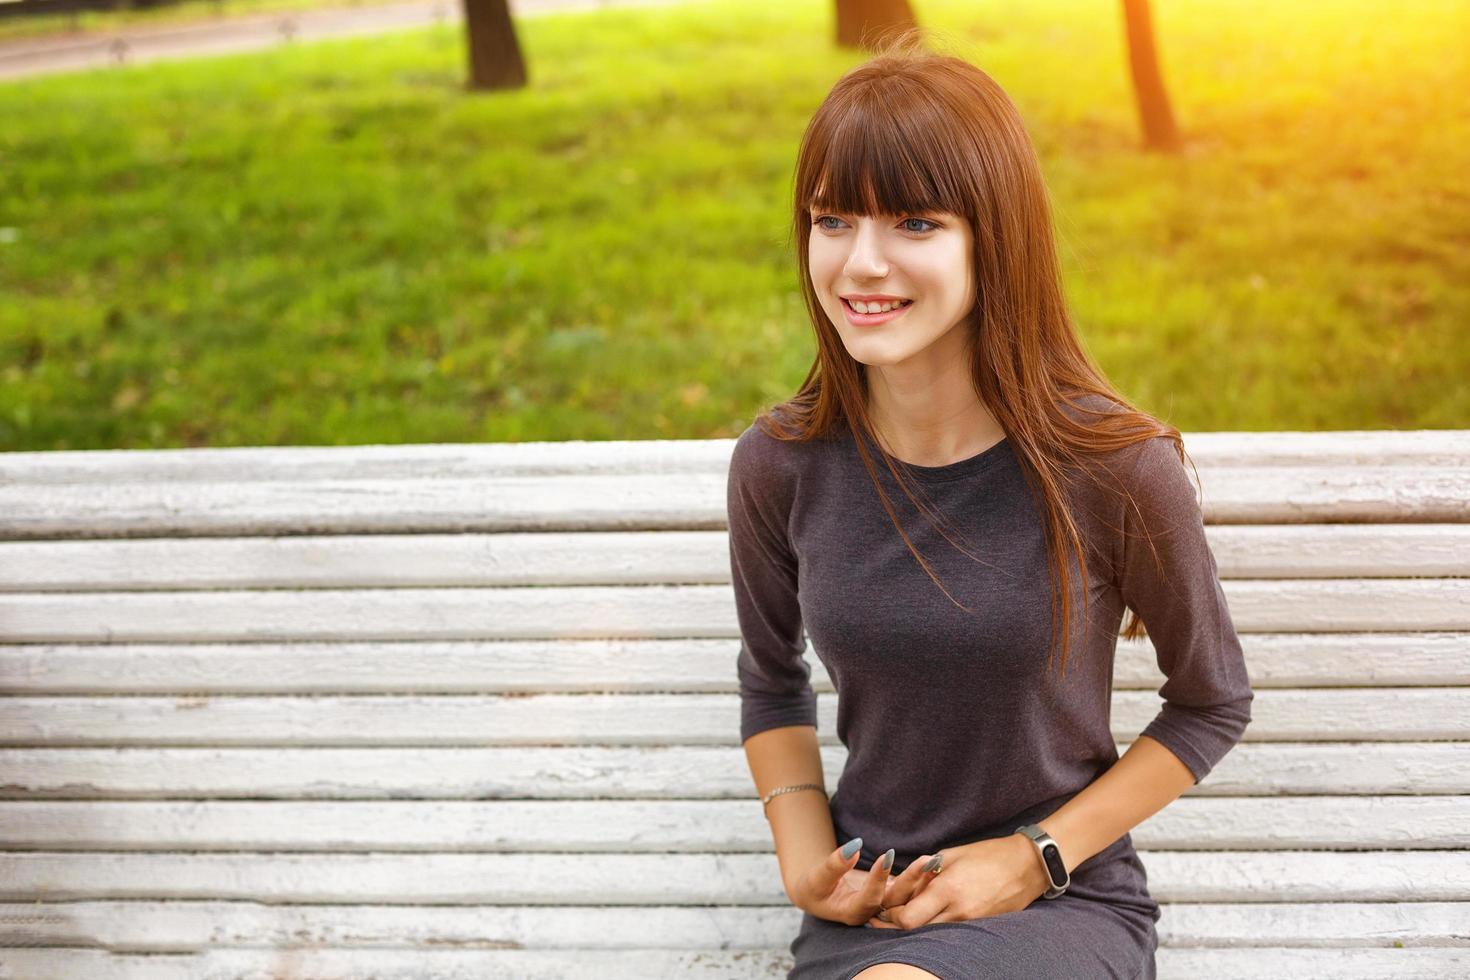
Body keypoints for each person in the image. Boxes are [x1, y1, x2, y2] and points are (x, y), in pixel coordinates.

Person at [726, 30, 1255, 980]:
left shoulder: (1113, 468)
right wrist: (807, 862)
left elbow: (1209, 703)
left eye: (916, 225)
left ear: (994, 239)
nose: (860, 264)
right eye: (833, 220)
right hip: (876, 913)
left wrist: (1034, 856)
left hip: (1059, 902)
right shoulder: (781, 465)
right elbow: (772, 682)